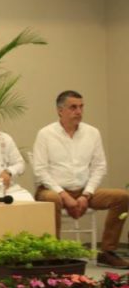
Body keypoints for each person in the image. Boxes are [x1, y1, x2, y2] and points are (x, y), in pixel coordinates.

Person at [32, 90, 129, 268]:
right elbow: (40, 171)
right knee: (53, 199)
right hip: (51, 190)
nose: (78, 111)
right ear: (60, 111)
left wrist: (86, 194)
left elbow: (99, 167)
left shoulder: (92, 133)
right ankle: (52, 255)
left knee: (122, 197)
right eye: (73, 107)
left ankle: (108, 252)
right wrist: (63, 195)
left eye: (81, 107)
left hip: (84, 191)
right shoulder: (45, 134)